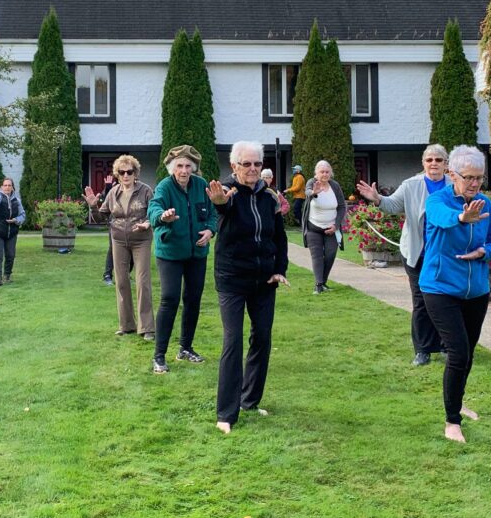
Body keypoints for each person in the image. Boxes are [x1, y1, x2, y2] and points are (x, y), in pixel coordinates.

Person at [419, 145, 491, 443]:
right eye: (468, 177)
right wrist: (461, 218)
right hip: (440, 287)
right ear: (452, 174)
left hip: (476, 290)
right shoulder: (437, 200)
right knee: (457, 352)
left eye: (480, 178)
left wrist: (484, 251)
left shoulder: (484, 203)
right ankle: (451, 421)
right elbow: (442, 218)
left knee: (467, 354)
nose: (474, 184)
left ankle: (456, 400)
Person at [209, 142, 289, 433]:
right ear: (234, 167)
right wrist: (219, 202)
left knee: (263, 337)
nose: (253, 169)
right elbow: (223, 208)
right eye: (246, 164)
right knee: (233, 341)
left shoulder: (268, 197)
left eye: (257, 164)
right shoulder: (227, 192)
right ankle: (226, 415)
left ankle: (250, 400)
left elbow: (279, 237)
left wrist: (279, 269)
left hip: (264, 280)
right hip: (232, 279)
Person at [356, 144, 449, 365]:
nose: (433, 164)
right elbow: (392, 205)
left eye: (438, 160)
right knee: (421, 301)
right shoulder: (411, 185)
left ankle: (446, 346)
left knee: (446, 300)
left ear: (446, 164)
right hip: (417, 252)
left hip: (445, 254)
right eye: (429, 160)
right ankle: (423, 350)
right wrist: (377, 198)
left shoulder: (455, 185)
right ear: (423, 163)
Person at [148, 145, 217, 373]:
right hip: (170, 252)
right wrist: (163, 216)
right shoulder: (165, 187)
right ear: (172, 168)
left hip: (197, 252)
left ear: (194, 168)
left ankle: (185, 348)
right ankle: (159, 356)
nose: (184, 170)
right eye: (179, 166)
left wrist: (210, 231)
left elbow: (213, 212)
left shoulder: (201, 185)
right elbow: (154, 208)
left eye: (188, 166)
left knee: (193, 299)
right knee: (169, 299)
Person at [84, 156, 155, 340]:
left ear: (135, 173)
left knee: (142, 282)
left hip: (141, 240)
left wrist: (147, 223)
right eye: (122, 172)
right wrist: (93, 207)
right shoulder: (113, 193)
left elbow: (153, 213)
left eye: (129, 172)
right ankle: (126, 325)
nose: (125, 175)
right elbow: (101, 219)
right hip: (118, 240)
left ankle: (147, 327)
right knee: (121, 281)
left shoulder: (146, 191)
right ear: (117, 174)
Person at [301, 161, 347, 295]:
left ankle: (323, 281)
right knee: (317, 256)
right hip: (313, 228)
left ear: (330, 173)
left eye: (327, 172)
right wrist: (314, 192)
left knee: (330, 255)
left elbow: (342, 206)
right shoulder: (312, 182)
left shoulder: (335, 186)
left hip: (331, 228)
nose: (325, 174)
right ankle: (318, 284)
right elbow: (308, 192)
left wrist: (336, 225)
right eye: (322, 172)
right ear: (316, 173)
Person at [0, 178, 26, 286]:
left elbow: (23, 215)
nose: (7, 187)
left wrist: (15, 220)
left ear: (12, 187)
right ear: (2, 187)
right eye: (5, 185)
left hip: (11, 232)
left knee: (10, 255)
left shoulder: (17, 200)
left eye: (9, 185)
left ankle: (7, 276)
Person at [95, 174, 116, 284]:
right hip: (114, 224)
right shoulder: (112, 186)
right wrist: (108, 189)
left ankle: (126, 273)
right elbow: (105, 202)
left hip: (131, 225)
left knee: (131, 252)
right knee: (113, 249)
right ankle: (107, 274)